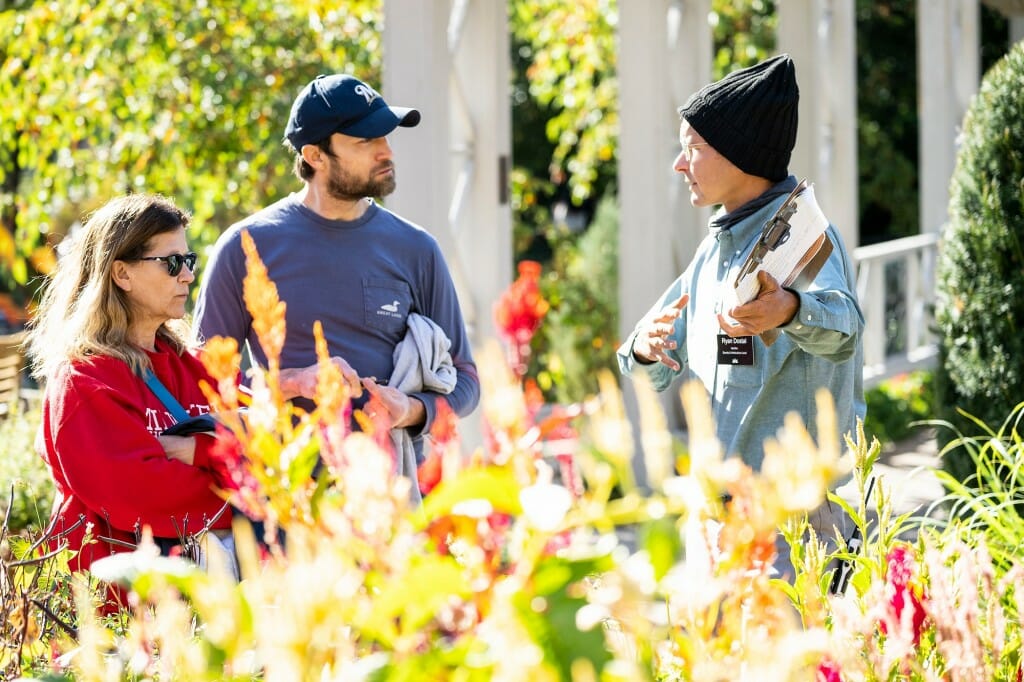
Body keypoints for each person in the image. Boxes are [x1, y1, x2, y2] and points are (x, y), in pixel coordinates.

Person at [616, 54, 865, 579]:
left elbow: (846, 327)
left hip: (796, 529)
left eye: (692, 150)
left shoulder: (806, 238)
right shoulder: (714, 250)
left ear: (741, 156)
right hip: (714, 521)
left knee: (792, 665)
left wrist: (790, 310)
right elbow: (647, 360)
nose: (679, 165)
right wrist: (645, 348)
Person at [193, 74, 480, 488]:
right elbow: (201, 381)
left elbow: (465, 379)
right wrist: (294, 381)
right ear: (314, 155)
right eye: (365, 141)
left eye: (385, 136)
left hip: (393, 503)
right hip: (286, 503)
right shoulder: (245, 247)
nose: (386, 151)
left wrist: (413, 410)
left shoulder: (417, 249)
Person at [27, 194, 237, 592]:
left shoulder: (196, 367)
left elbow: (267, 448)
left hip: (200, 612)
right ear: (121, 274)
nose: (188, 276)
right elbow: (139, 496)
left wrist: (201, 454)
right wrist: (246, 496)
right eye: (172, 263)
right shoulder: (84, 380)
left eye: (188, 261)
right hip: (115, 620)